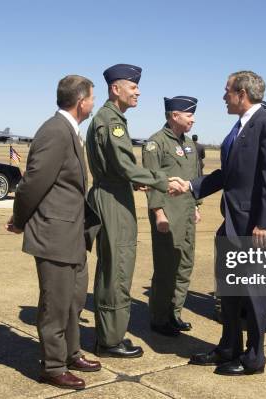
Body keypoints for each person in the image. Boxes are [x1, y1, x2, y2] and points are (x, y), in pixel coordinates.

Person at [172, 71, 266, 375]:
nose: (223, 96)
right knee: (229, 290)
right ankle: (229, 347)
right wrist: (190, 186)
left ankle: (254, 358)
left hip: (255, 226)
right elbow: (228, 175)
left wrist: (263, 223)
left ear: (242, 93)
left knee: (253, 293)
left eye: (227, 91)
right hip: (233, 223)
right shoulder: (239, 128)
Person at [6, 75, 101, 390]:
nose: (93, 103)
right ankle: (52, 365)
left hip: (73, 233)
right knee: (56, 303)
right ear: (80, 101)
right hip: (54, 233)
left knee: (74, 300)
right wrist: (20, 220)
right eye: (92, 97)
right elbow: (32, 183)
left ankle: (71, 353)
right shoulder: (55, 131)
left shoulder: (70, 131)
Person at [85, 64, 181, 358]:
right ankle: (110, 340)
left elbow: (119, 167)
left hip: (114, 192)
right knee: (118, 268)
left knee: (114, 266)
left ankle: (110, 334)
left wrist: (136, 181)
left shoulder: (109, 119)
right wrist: (163, 181)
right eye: (133, 86)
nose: (138, 91)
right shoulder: (111, 121)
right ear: (116, 89)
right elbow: (125, 166)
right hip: (113, 199)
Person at [142, 96, 202, 336]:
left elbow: (195, 176)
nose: (193, 119)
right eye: (189, 115)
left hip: (186, 213)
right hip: (167, 214)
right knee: (167, 267)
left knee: (185, 264)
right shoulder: (156, 144)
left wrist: (197, 205)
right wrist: (158, 213)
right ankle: (159, 317)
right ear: (174, 115)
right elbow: (150, 181)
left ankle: (174, 313)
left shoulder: (189, 144)